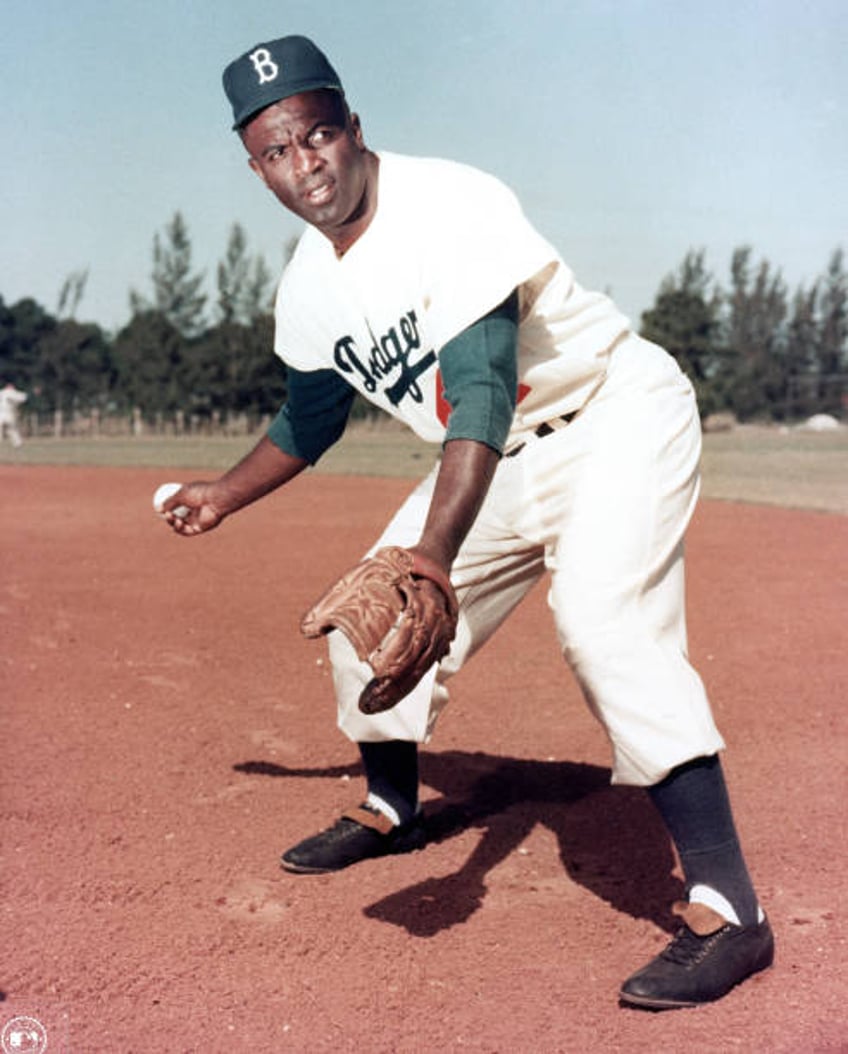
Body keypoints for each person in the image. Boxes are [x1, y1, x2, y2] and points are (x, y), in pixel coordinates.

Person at [159, 34, 773, 1009]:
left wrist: (433, 555)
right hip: (500, 460)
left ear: (354, 129)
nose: (303, 163)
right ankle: (389, 805)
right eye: (277, 151)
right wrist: (222, 494)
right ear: (255, 168)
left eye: (317, 135)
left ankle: (727, 910)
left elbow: (481, 388)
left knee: (604, 624)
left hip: (609, 415)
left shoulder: (447, 203)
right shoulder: (306, 290)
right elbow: (308, 420)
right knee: (369, 630)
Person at [0, 382, 27, 447]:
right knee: (12, 428)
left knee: (9, 428)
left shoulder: (2, 392)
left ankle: (18, 443)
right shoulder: (13, 393)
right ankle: (18, 443)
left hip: (2, 412)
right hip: (9, 413)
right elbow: (24, 398)